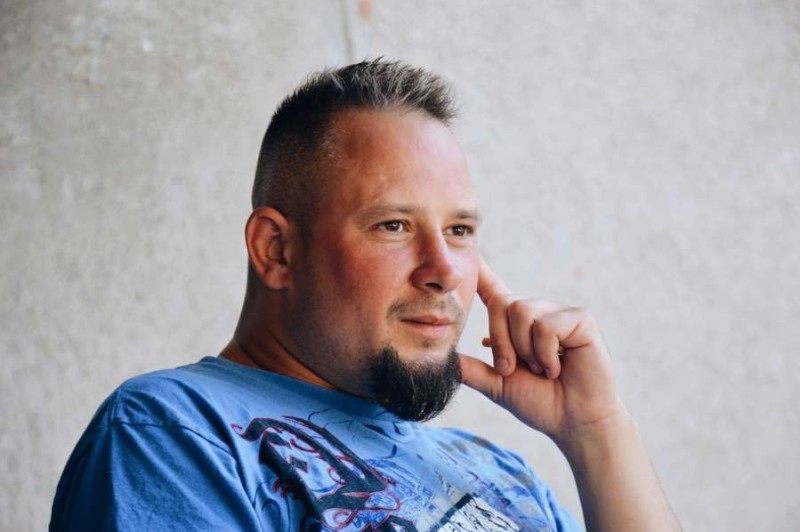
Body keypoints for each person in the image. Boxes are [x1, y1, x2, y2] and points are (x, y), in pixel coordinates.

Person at [50, 59, 680, 531]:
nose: (443, 271)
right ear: (276, 249)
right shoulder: (174, 431)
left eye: (459, 231)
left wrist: (597, 433)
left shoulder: (501, 473)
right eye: (394, 226)